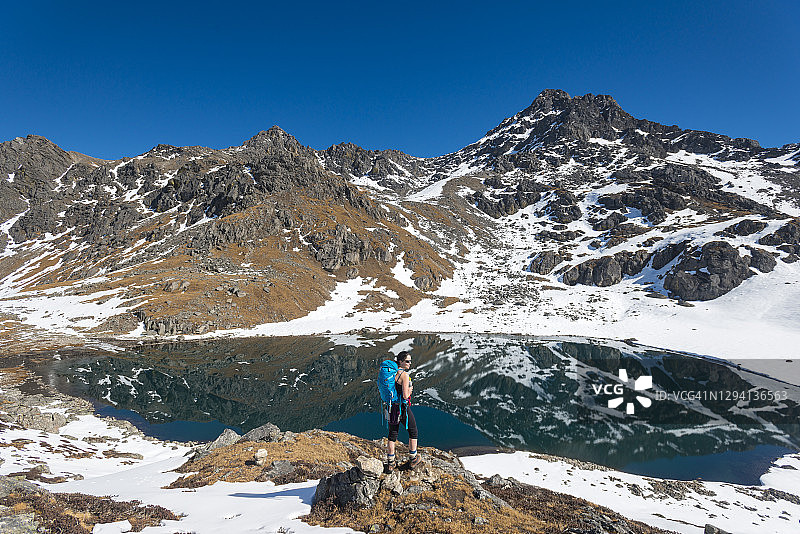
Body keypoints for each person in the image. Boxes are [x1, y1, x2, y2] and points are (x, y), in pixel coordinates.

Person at [386, 350, 421, 471]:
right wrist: (410, 390)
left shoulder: (391, 373)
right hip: (402, 408)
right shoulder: (404, 375)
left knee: (392, 435)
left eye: (410, 361)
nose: (409, 363)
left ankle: (391, 463)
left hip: (391, 407)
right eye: (407, 361)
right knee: (413, 431)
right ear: (400, 361)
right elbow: (405, 395)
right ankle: (413, 459)